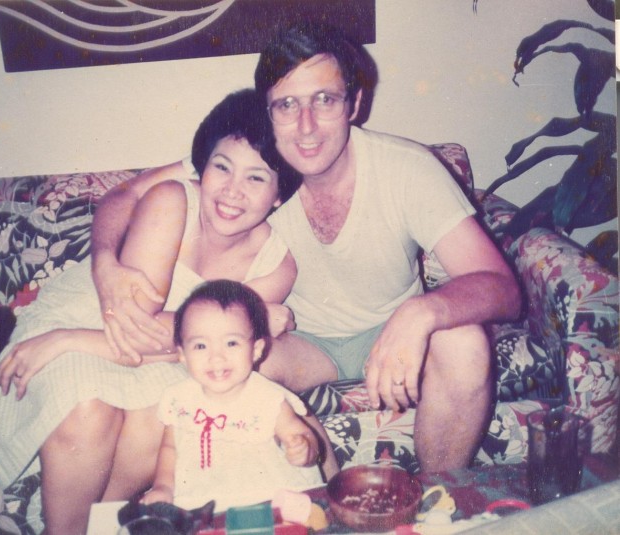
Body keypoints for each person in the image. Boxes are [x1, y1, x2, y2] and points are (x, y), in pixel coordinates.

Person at [89, 21, 522, 474]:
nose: (306, 127)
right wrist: (104, 264)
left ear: (355, 103)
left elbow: (504, 290)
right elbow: (125, 197)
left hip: (390, 328)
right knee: (218, 369)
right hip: (297, 339)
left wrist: (421, 314)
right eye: (287, 105)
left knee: (465, 343)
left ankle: (438, 499)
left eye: (325, 100)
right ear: (267, 111)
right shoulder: (249, 169)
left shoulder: (409, 169)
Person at [0, 89, 337, 535]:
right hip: (93, 316)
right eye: (221, 168)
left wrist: (66, 343)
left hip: (147, 350)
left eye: (256, 179)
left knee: (166, 409)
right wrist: (64, 335)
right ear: (201, 170)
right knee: (89, 404)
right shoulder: (171, 200)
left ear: (278, 196)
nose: (232, 192)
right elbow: (135, 319)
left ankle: (94, 524)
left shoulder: (275, 265)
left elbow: (194, 343)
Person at [141, 280, 323, 512]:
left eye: (231, 343)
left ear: (256, 350)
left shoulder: (268, 398)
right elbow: (170, 448)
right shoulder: (179, 398)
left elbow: (301, 435)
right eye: (200, 346)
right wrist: (163, 487)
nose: (216, 357)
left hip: (265, 496)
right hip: (203, 497)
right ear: (183, 355)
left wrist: (303, 449)